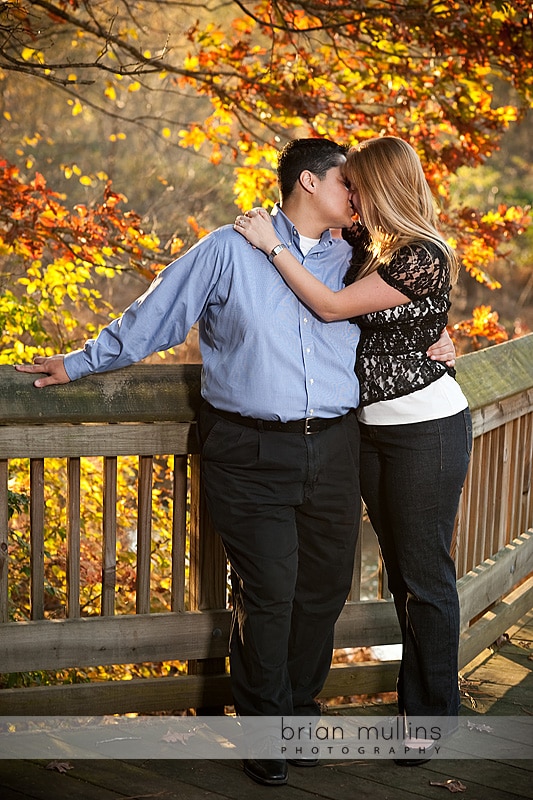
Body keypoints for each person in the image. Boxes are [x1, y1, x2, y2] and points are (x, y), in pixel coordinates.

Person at [16, 138, 455, 785]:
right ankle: (263, 728)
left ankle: (300, 714)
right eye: (347, 186)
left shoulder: (356, 255)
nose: (357, 198)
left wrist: (441, 335)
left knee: (324, 589)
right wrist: (79, 362)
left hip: (336, 446)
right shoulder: (227, 248)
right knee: (269, 591)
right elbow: (154, 319)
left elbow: (404, 306)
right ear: (308, 183)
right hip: (248, 450)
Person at [234, 136, 472, 766]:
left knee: (423, 577)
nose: (351, 195)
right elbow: (381, 315)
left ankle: (429, 723)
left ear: (384, 185)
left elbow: (335, 306)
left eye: (359, 184)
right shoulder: (368, 246)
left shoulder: (424, 252)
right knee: (395, 572)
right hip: (368, 430)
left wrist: (274, 247)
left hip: (426, 429)